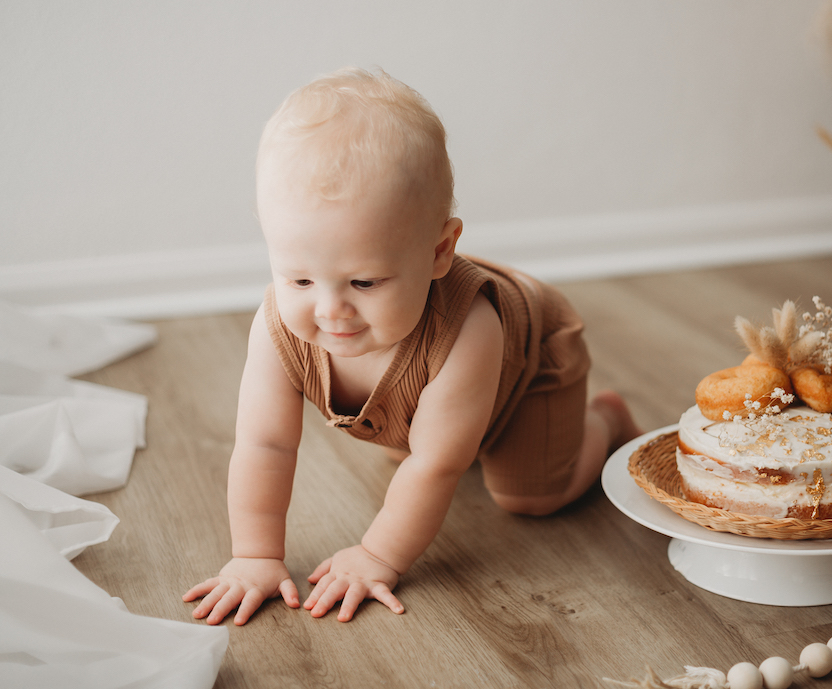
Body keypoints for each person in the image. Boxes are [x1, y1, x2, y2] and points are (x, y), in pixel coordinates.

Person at [183, 68, 640, 626]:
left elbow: (434, 465)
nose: (330, 309)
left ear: (439, 252)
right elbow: (265, 445)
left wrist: (376, 556)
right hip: (441, 396)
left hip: (530, 366)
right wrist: (255, 555)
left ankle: (606, 421)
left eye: (365, 282)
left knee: (530, 497)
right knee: (417, 443)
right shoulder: (277, 326)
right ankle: (453, 420)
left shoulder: (471, 330)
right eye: (299, 279)